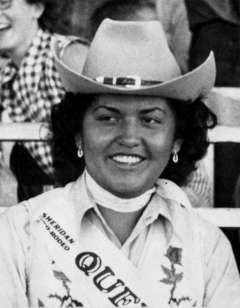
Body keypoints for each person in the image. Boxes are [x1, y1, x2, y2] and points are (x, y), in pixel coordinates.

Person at [0, 19, 240, 307]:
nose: (129, 137)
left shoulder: (208, 247)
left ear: (177, 139)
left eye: (150, 120)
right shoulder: (20, 232)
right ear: (78, 132)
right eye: (107, 118)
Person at [0, 0, 88, 201]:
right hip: (62, 203)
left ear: (37, 8)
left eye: (5, 3)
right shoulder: (8, 78)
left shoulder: (65, 54)